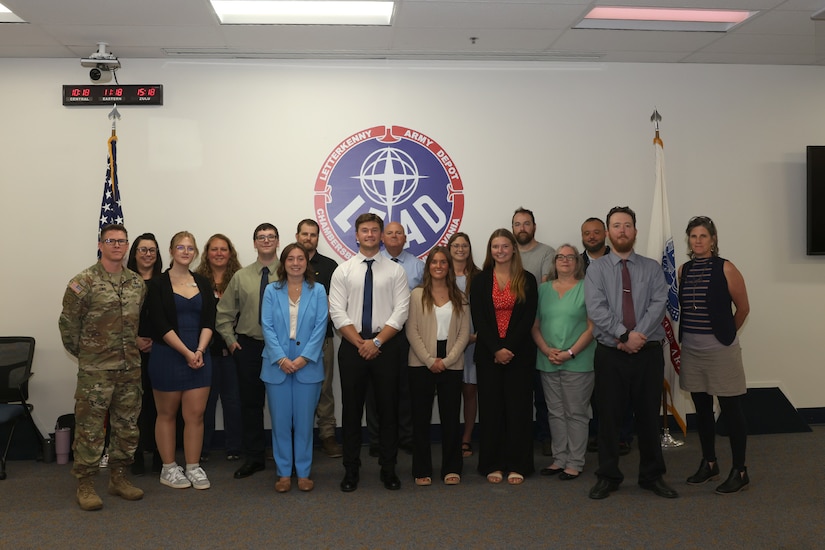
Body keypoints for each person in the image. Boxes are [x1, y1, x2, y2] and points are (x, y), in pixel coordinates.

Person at [584, 206, 678, 500]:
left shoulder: (651, 268)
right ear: (609, 233)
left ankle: (652, 476)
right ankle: (608, 476)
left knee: (649, 416)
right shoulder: (596, 269)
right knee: (609, 419)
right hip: (611, 354)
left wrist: (636, 337)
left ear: (635, 231)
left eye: (627, 225)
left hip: (647, 353)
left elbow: (658, 302)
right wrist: (624, 335)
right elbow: (596, 308)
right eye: (616, 226)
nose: (622, 230)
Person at [59, 223, 146, 511]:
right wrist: (89, 356)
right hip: (95, 372)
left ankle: (119, 478)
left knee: (127, 426)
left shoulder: (136, 283)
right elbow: (69, 328)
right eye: (111, 241)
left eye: (122, 241)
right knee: (90, 429)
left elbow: (135, 324)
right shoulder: (82, 283)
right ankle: (85, 483)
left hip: (129, 369)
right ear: (100, 244)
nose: (117, 246)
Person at [328, 213, 410, 492]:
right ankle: (351, 470)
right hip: (353, 348)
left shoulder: (396, 270)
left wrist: (376, 343)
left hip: (386, 346)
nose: (370, 235)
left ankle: (389, 469)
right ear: (356, 235)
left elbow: (401, 312)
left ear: (381, 235)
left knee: (388, 411)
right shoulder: (344, 270)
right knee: (351, 412)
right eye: (365, 230)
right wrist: (362, 343)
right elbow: (337, 312)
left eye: (375, 230)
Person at [678, 216, 751, 494]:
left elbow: (743, 308)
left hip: (720, 351)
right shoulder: (683, 270)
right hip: (692, 351)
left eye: (703, 236)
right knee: (703, 409)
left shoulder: (726, 268)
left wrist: (726, 335)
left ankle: (740, 470)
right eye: (693, 236)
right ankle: (709, 463)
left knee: (731, 411)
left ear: (713, 240)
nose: (698, 241)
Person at [146, 231, 215, 490]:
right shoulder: (157, 284)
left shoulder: (203, 283)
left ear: (195, 252)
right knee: (167, 414)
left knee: (195, 415)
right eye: (180, 247)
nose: (185, 252)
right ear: (172, 251)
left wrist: (199, 350)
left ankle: (193, 467)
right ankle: (168, 468)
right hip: (168, 355)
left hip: (199, 355)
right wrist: (187, 353)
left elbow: (209, 320)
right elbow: (160, 324)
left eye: (190, 248)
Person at [470, 228, 538, 485]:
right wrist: (496, 349)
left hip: (519, 355)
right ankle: (493, 464)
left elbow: (527, 318)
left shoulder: (527, 279)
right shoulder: (479, 280)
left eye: (505, 246)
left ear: (513, 249)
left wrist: (508, 348)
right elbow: (480, 318)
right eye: (495, 247)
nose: (500, 251)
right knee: (492, 411)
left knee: (518, 411)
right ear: (490, 251)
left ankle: (518, 464)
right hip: (489, 355)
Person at [261, 243, 329, 493]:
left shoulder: (318, 290)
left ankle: (303, 472)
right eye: (291, 258)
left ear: (306, 263)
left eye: (301, 258)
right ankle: (282, 473)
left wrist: (304, 358)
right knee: (280, 422)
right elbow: (266, 325)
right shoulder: (271, 290)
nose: (296, 263)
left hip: (307, 364)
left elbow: (321, 327)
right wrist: (280, 357)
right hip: (277, 364)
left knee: (303, 422)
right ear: (284, 262)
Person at [216, 223, 280, 479]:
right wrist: (231, 342)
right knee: (251, 404)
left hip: (281, 349)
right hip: (250, 347)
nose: (265, 240)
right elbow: (223, 314)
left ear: (277, 241)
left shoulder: (289, 273)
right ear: (254, 243)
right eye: (261, 237)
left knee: (282, 405)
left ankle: (287, 456)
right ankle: (254, 457)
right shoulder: (241, 277)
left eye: (270, 237)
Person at [407, 247, 470, 486]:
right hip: (421, 362)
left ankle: (452, 467)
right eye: (434, 262)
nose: (439, 266)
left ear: (449, 266)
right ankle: (421, 468)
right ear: (428, 266)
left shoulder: (460, 297)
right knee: (421, 419)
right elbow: (411, 330)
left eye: (443, 262)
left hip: (451, 363)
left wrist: (447, 360)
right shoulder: (417, 295)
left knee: (451, 419)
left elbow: (464, 334)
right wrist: (429, 360)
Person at [532, 244, 595, 480]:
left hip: (578, 361)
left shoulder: (587, 288)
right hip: (548, 359)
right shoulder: (542, 290)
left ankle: (575, 462)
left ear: (578, 262)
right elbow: (534, 326)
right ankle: (559, 459)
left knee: (576, 413)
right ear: (554, 262)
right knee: (555, 413)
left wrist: (570, 352)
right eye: (561, 257)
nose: (566, 261)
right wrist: (547, 349)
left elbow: (593, 327)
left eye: (571, 257)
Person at [365, 221, 422, 456]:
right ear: (382, 238)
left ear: (405, 238)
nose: (394, 236)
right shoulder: (373, 263)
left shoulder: (418, 266)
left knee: (404, 388)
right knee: (374, 389)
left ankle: (405, 436)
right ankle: (377, 439)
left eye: (399, 233)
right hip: (376, 334)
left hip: (406, 335)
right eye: (389, 233)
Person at [580, 217, 633, 457]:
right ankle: (600, 435)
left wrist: (622, 333)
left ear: (606, 235)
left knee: (620, 392)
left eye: (596, 232)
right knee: (596, 393)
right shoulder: (575, 262)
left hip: (617, 338)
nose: (591, 237)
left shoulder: (622, 261)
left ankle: (622, 436)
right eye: (586, 233)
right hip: (582, 337)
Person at [296, 219, 343, 459]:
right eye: (304, 234)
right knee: (294, 390)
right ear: (297, 235)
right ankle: (294, 437)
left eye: (313, 235)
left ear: (318, 238)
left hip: (323, 338)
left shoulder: (329, 266)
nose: (308, 238)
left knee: (324, 389)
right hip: (292, 342)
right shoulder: (287, 264)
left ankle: (327, 436)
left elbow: (336, 304)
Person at [195, 234, 243, 462]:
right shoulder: (197, 281)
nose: (219, 253)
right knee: (206, 401)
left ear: (230, 253)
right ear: (207, 253)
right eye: (214, 249)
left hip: (233, 351)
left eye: (224, 249)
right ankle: (202, 449)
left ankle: (235, 447)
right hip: (206, 352)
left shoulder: (240, 279)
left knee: (233, 401)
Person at [512, 207, 555, 456]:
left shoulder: (547, 253)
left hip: (538, 328)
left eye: (526, 223)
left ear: (534, 227)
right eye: (517, 224)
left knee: (542, 391)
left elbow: (544, 289)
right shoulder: (507, 252)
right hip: (511, 331)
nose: (522, 228)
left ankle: (545, 436)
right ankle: (519, 437)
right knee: (517, 391)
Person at [127, 233, 163, 476]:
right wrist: (135, 340)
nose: (148, 254)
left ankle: (162, 453)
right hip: (131, 352)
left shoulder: (165, 282)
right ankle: (136, 453)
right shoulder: (125, 281)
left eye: (152, 250)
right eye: (143, 250)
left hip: (162, 350)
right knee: (134, 405)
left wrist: (158, 341)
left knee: (161, 405)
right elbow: (116, 318)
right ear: (135, 253)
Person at [447, 232, 480, 458]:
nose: (460, 249)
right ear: (449, 249)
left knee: (469, 391)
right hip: (448, 344)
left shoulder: (479, 276)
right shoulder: (441, 274)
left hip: (473, 342)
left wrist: (476, 336)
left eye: (464, 245)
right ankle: (450, 438)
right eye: (456, 245)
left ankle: (466, 438)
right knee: (449, 392)